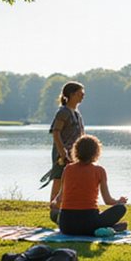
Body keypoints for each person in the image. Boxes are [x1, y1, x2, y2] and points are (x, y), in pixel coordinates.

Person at [52, 135, 129, 236]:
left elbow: (59, 197)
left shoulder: (68, 169)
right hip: (89, 225)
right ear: (96, 152)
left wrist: (54, 203)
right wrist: (120, 201)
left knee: (56, 214)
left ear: (76, 151)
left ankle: (108, 228)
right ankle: (107, 228)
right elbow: (108, 201)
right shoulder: (99, 171)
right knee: (121, 208)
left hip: (66, 227)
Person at [41, 81, 86, 222]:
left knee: (73, 181)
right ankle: (54, 212)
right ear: (72, 95)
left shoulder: (77, 113)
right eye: (80, 94)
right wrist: (62, 152)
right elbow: (56, 132)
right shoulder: (63, 112)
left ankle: (69, 209)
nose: (83, 96)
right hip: (63, 154)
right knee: (59, 180)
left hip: (74, 154)